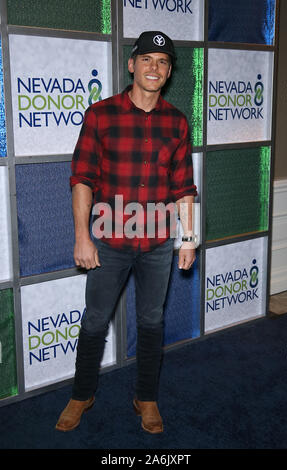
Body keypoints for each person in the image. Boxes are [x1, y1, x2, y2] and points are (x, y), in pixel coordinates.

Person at [56, 31, 197, 434]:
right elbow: (81, 178)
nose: (155, 68)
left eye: (163, 62)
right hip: (107, 241)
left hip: (156, 243)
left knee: (152, 322)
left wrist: (188, 237)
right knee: (95, 321)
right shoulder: (100, 114)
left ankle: (146, 398)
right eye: (147, 59)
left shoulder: (176, 122)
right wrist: (82, 237)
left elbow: (184, 186)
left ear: (169, 73)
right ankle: (81, 394)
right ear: (132, 65)